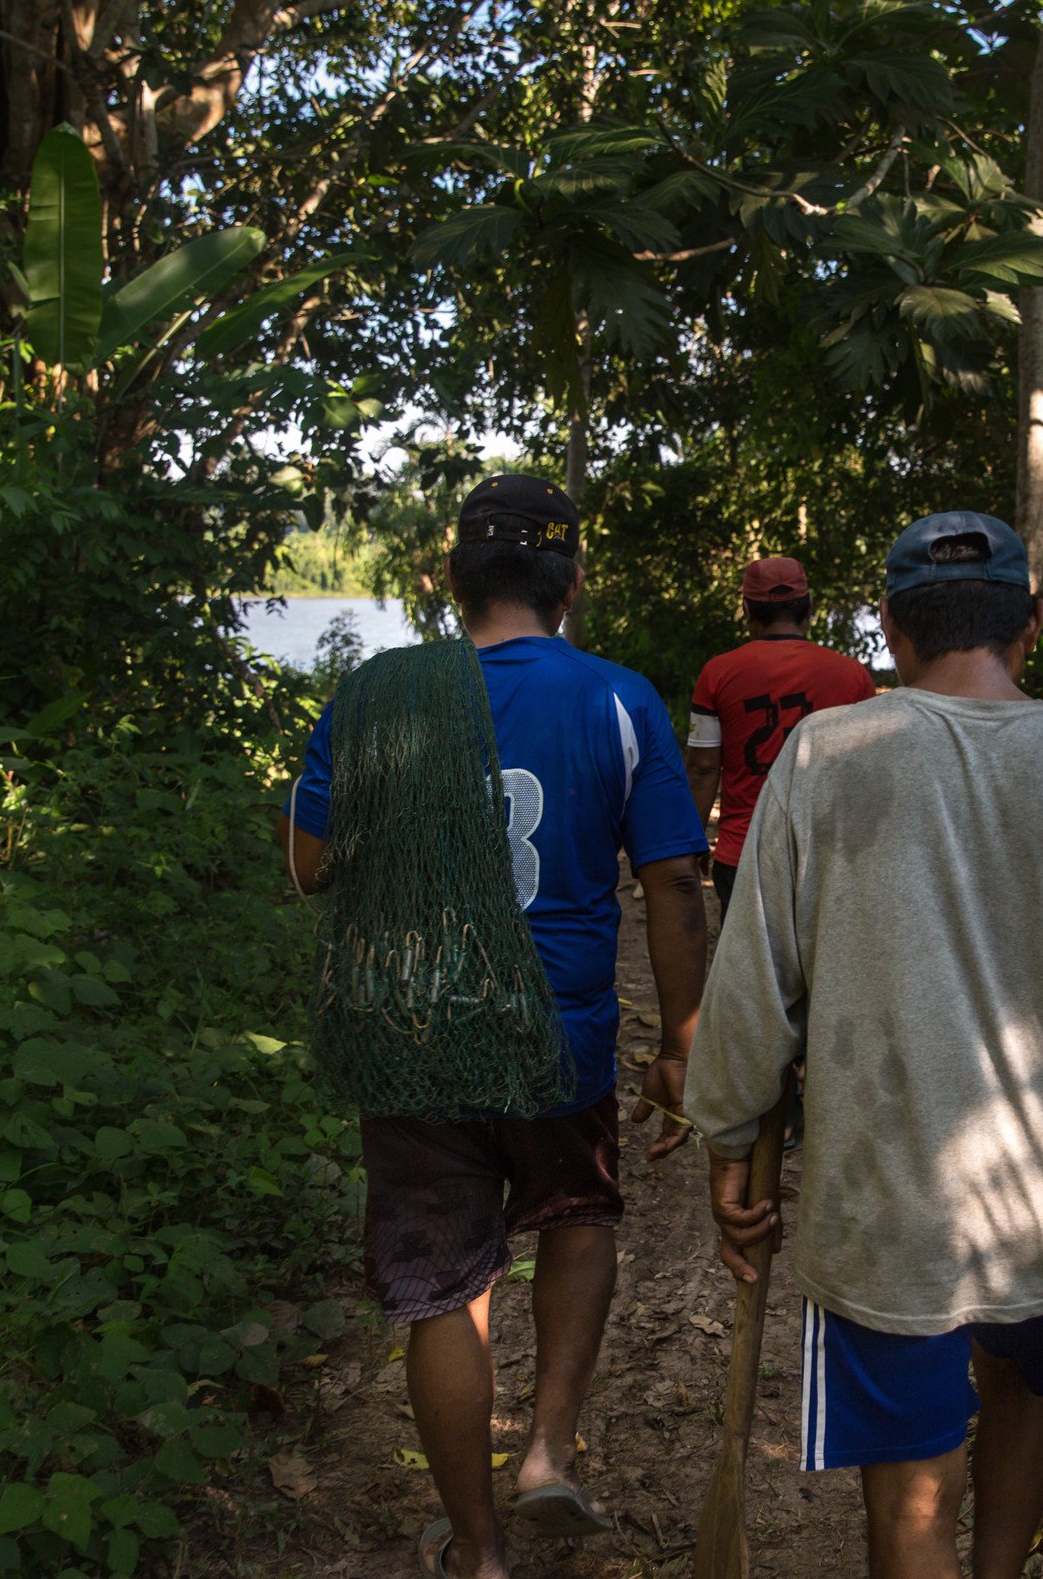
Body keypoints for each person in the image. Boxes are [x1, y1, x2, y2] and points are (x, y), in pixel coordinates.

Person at [683, 511, 1043, 1579]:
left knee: (913, 1501)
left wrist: (727, 1139)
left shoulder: (826, 756)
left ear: (889, 629)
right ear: (1031, 626)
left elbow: (751, 978)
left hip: (886, 1207)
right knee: (1022, 1387)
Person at [274, 474, 712, 1579]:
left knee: (446, 1290)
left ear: (449, 578)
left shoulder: (377, 693)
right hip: (556, 1036)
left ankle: (474, 1550)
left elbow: (308, 867)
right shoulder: (617, 698)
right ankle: (548, 1452)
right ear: (569, 583)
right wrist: (682, 1038)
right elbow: (670, 882)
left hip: (414, 1037)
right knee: (577, 1218)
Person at [684, 556, 877, 908]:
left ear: (747, 610)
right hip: (825, 855)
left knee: (751, 962)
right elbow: (863, 772)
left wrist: (693, 839)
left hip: (744, 853)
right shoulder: (853, 676)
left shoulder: (717, 674)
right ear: (809, 608)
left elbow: (703, 768)